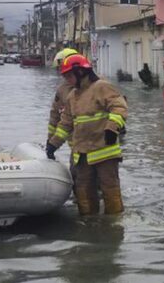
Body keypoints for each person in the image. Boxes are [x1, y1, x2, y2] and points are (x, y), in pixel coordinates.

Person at [46, 54, 127, 215]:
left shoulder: (102, 87)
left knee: (110, 190)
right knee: (82, 192)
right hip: (82, 154)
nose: (67, 80)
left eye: (69, 76)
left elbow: (119, 107)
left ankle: (114, 224)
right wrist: (53, 144)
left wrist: (112, 128)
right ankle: (88, 223)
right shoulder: (72, 96)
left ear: (80, 72)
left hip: (105, 151)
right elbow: (65, 123)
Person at [47, 48, 78, 141]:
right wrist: (51, 141)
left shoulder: (97, 84)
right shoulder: (62, 90)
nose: (61, 72)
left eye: (62, 67)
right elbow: (55, 116)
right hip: (75, 143)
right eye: (59, 68)